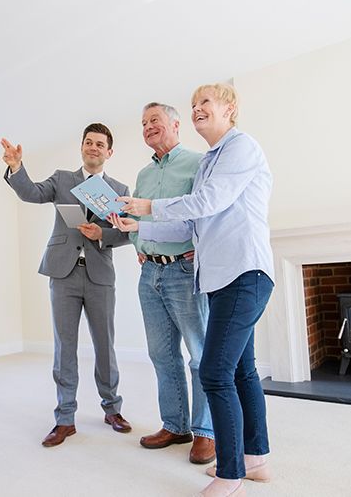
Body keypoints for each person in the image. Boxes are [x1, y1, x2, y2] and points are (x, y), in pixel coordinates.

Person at [109, 84, 274, 497]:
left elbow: (209, 202)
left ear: (229, 110)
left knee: (215, 372)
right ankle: (255, 461)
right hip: (219, 278)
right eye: (195, 103)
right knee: (240, 370)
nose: (198, 109)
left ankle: (230, 472)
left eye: (206, 103)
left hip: (244, 272)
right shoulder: (210, 162)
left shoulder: (241, 147)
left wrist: (147, 207)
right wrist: (138, 226)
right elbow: (189, 225)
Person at [1, 123, 133, 448]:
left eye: (100, 144)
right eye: (88, 142)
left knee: (105, 345)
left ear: (109, 152)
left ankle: (112, 409)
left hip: (100, 275)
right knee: (64, 347)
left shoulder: (119, 189)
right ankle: (64, 418)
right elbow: (32, 193)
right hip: (63, 274)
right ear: (82, 148)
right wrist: (16, 167)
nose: (93, 148)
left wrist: (102, 233)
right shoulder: (62, 179)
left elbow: (128, 233)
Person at [131, 102, 214, 464]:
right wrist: (138, 244)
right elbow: (136, 216)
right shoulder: (143, 176)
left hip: (183, 269)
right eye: (144, 123)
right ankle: (175, 425)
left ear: (176, 125)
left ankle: (206, 432)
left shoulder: (198, 163)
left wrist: (200, 246)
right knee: (162, 355)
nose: (148, 127)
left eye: (155, 121)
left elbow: (205, 210)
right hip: (149, 273)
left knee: (199, 355)